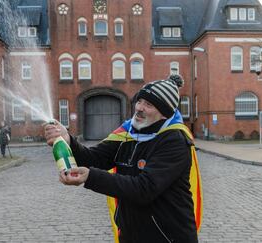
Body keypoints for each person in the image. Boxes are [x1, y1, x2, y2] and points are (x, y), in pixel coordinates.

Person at [44, 75, 202, 243]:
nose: (139, 108)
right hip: (131, 235)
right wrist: (67, 138)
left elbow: (144, 189)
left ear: (164, 113)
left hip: (168, 237)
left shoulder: (174, 141)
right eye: (140, 101)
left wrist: (91, 177)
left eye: (148, 104)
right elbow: (93, 158)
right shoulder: (128, 134)